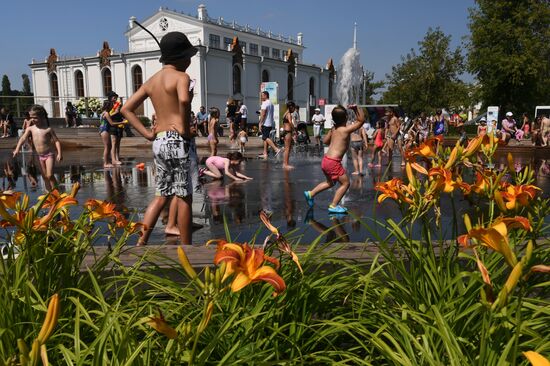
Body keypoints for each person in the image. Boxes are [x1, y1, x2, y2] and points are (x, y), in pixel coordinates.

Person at [121, 31, 197, 246]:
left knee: (161, 194)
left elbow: (126, 109)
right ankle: (187, 247)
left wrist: (147, 133)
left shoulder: (151, 81)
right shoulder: (182, 77)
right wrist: (184, 127)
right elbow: (183, 100)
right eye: (189, 57)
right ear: (182, 58)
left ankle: (140, 242)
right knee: (184, 196)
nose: (190, 61)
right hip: (179, 140)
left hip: (160, 140)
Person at [303, 105, 365, 214]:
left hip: (326, 160)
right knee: (346, 183)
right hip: (333, 162)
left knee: (330, 182)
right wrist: (355, 109)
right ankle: (333, 205)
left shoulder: (333, 129)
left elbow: (326, 141)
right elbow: (361, 121)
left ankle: (310, 194)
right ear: (346, 118)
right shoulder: (345, 130)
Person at [13, 104, 62, 192]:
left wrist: (59, 153)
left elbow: (56, 141)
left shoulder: (48, 129)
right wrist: (17, 149)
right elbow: (23, 138)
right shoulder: (30, 129)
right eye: (31, 117)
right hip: (39, 156)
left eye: (35, 117)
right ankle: (49, 194)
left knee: (50, 175)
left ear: (42, 117)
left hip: (49, 155)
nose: (32, 119)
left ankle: (57, 192)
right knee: (44, 176)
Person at [99, 100, 125, 168]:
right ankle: (106, 163)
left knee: (108, 147)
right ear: (108, 106)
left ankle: (107, 162)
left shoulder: (103, 113)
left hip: (102, 129)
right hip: (105, 130)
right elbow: (112, 123)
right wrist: (122, 122)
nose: (112, 106)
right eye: (111, 105)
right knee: (107, 147)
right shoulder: (106, 113)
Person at [258, 91, 282, 158]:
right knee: (266, 138)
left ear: (266, 95)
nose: (261, 97)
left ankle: (276, 149)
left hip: (265, 123)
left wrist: (260, 123)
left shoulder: (265, 103)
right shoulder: (271, 103)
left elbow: (263, 114)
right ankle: (265, 153)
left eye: (262, 95)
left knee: (265, 137)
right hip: (270, 123)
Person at [106, 91, 124, 164]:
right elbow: (106, 116)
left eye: (116, 97)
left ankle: (117, 157)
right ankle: (113, 160)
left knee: (118, 143)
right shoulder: (108, 105)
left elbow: (122, 113)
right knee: (113, 142)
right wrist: (115, 112)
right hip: (112, 125)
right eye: (114, 97)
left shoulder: (119, 104)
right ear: (110, 98)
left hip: (119, 124)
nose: (115, 98)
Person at [282, 101, 296, 169]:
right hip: (288, 132)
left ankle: (285, 163)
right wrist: (294, 130)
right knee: (287, 149)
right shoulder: (289, 114)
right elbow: (290, 122)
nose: (294, 109)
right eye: (294, 108)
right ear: (291, 107)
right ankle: (286, 164)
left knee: (287, 148)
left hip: (285, 132)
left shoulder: (285, 114)